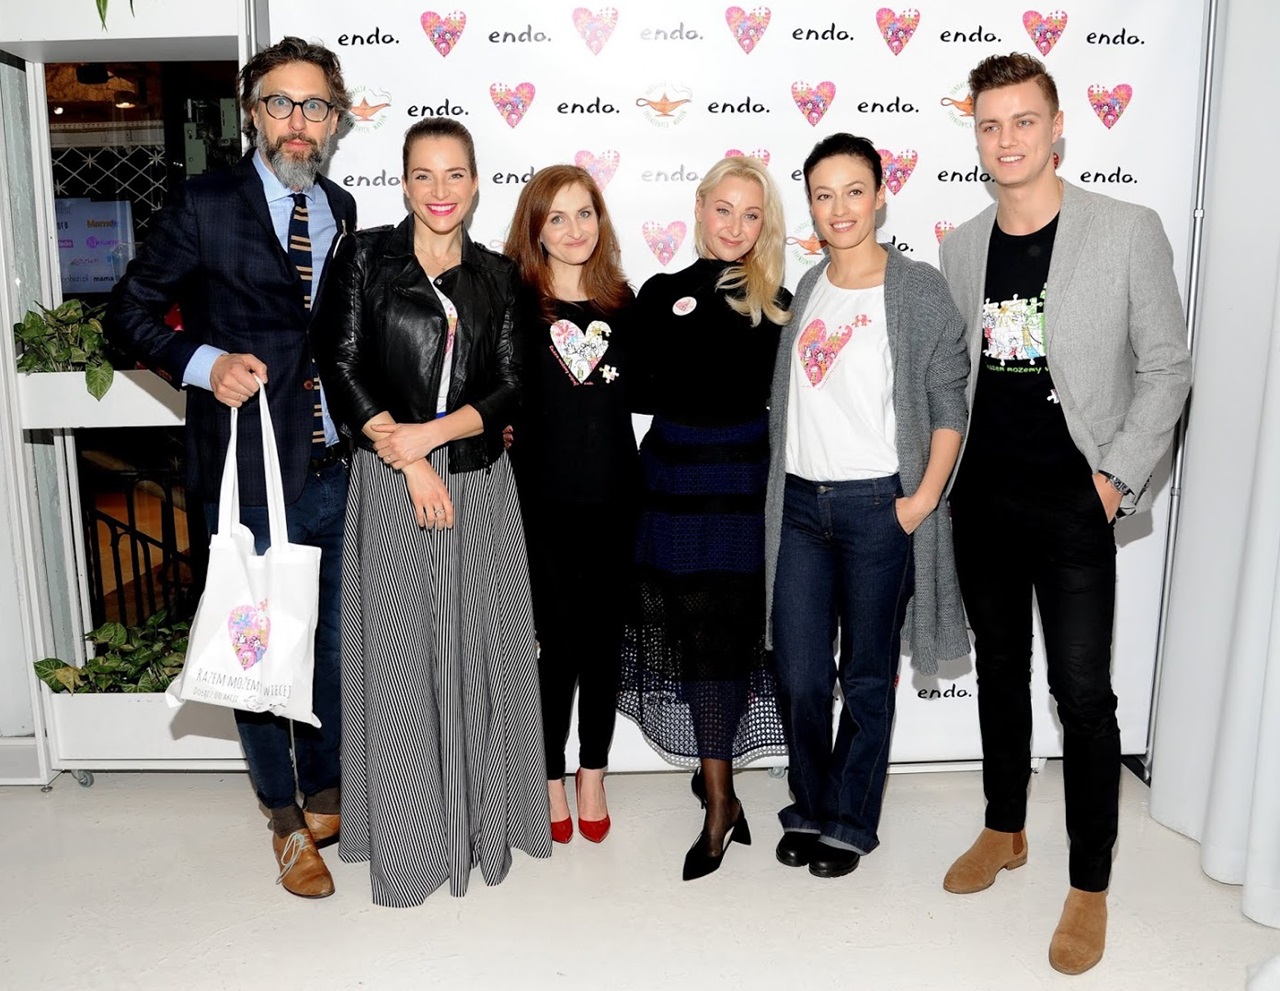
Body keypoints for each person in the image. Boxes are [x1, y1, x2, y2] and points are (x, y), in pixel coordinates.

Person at [938, 53, 1192, 975]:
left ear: (1056, 129)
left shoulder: (1125, 230)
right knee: (1000, 674)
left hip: (1077, 503)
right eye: (989, 124)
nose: (1006, 139)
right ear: (976, 136)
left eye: (1023, 121)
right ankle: (1005, 825)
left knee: (1083, 695)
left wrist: (1114, 479)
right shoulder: (962, 246)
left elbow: (1168, 366)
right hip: (984, 502)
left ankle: (1090, 880)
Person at [107, 37, 356, 899]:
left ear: (336, 120)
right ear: (253, 113)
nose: (298, 122)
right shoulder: (205, 203)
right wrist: (203, 361)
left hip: (334, 467)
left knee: (328, 646)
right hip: (246, 473)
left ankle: (325, 793)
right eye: (280, 103)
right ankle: (284, 822)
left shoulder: (341, 207)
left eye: (315, 106)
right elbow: (127, 312)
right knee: (256, 653)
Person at [311, 117, 550, 908]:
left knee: (482, 652)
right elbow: (340, 363)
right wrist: (408, 456)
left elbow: (512, 384)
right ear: (404, 182)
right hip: (388, 479)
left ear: (476, 183)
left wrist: (434, 438)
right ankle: (411, 839)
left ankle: (484, 826)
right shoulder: (364, 257)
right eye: (424, 174)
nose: (440, 191)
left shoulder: (500, 275)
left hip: (478, 481)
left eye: (455, 175)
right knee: (400, 660)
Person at [764, 134, 971, 880]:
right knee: (799, 673)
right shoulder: (808, 285)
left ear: (881, 196)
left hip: (877, 507)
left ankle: (850, 820)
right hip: (798, 507)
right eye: (823, 195)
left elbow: (949, 404)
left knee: (864, 676)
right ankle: (811, 804)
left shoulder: (917, 289)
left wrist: (920, 502)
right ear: (810, 206)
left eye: (854, 191)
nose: (840, 208)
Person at [617, 156, 792, 881]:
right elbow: (631, 386)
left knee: (731, 635)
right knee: (694, 636)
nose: (736, 226)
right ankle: (719, 790)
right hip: (675, 481)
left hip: (745, 483)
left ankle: (718, 797)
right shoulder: (661, 293)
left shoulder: (779, 304)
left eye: (752, 215)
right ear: (699, 207)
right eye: (725, 209)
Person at [504, 166, 639, 845]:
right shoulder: (516, 304)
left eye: (584, 213)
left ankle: (593, 771)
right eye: (556, 217)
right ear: (535, 228)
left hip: (616, 498)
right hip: (541, 503)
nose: (573, 228)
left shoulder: (623, 302)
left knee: (603, 644)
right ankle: (550, 773)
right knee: (556, 646)